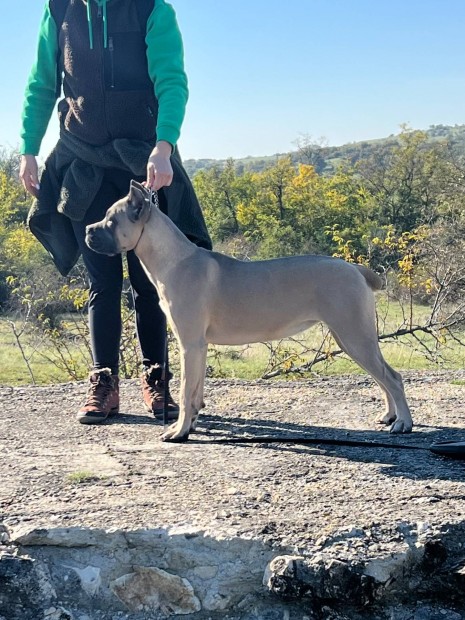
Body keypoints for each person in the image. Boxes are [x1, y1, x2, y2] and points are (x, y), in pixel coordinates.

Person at [19, 0, 211, 424]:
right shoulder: (59, 10)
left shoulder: (151, 9)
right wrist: (29, 148)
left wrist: (164, 146)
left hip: (141, 162)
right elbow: (42, 83)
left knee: (150, 284)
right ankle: (103, 381)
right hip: (82, 164)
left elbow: (171, 81)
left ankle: (156, 377)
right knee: (101, 284)